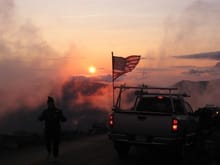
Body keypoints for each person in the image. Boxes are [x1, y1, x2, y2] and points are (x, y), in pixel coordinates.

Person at [38, 96, 67, 160]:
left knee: (55, 144)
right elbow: (41, 118)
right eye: (49, 103)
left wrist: (62, 117)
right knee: (47, 143)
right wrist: (39, 118)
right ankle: (49, 152)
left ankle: (55, 156)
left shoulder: (58, 111)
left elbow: (63, 119)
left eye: (51, 103)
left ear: (53, 103)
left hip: (56, 131)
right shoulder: (45, 112)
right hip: (48, 130)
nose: (50, 104)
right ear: (47, 104)